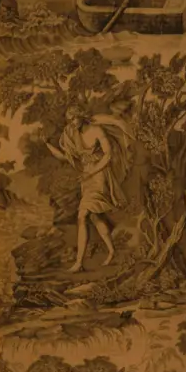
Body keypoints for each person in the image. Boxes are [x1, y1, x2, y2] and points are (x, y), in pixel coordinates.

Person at [48, 113, 123, 272]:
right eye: (69, 119)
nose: (72, 122)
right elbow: (64, 157)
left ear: (81, 116)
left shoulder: (96, 130)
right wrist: (47, 143)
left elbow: (108, 155)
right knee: (95, 217)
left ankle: (79, 263)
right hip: (86, 179)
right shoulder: (72, 134)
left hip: (99, 175)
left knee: (82, 215)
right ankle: (112, 251)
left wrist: (92, 172)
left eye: (74, 118)